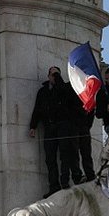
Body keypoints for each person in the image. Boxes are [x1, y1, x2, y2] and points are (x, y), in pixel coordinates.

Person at [29, 66, 80, 195]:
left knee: (65, 154)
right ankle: (53, 186)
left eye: (57, 75)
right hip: (49, 127)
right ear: (48, 76)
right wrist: (33, 126)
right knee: (50, 158)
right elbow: (37, 109)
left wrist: (58, 80)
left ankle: (65, 182)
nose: (54, 77)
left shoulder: (64, 88)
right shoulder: (43, 91)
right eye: (52, 75)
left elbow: (66, 97)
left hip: (63, 126)